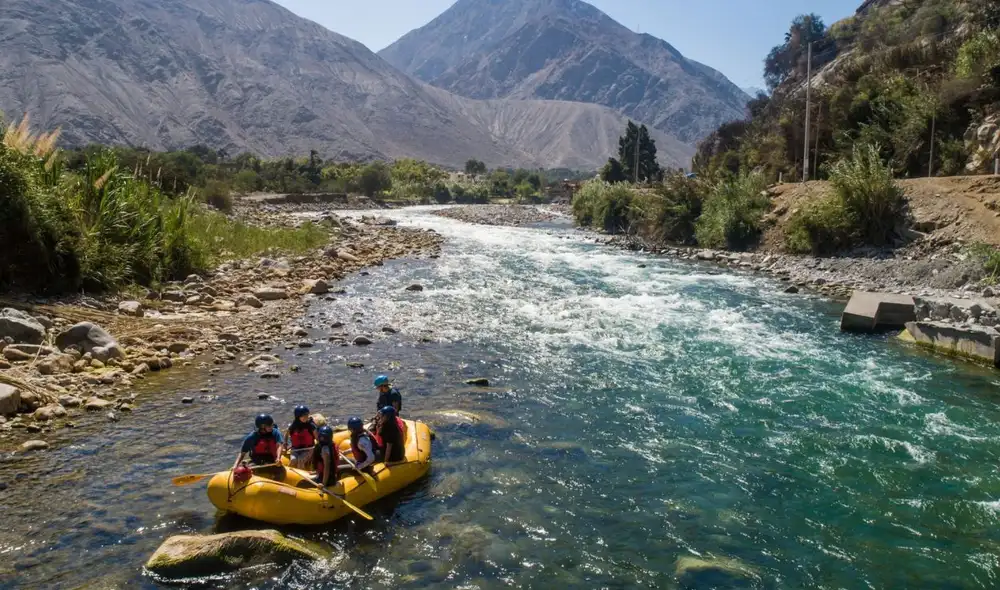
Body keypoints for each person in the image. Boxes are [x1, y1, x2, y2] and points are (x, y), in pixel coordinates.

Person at [311, 425, 339, 490]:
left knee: (303, 483)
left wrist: (323, 483)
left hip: (328, 479)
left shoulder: (325, 450)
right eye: (321, 437)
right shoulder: (329, 445)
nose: (321, 438)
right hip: (323, 474)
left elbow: (327, 467)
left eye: (323, 437)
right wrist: (316, 471)